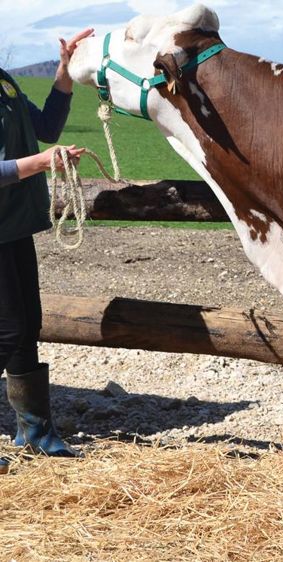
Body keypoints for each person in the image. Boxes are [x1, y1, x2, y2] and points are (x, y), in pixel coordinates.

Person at [0, 29, 94, 472]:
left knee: (27, 325)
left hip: (13, 224)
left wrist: (63, 73)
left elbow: (45, 128)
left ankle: (34, 431)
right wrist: (42, 162)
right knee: (8, 329)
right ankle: (32, 429)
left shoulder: (4, 81)